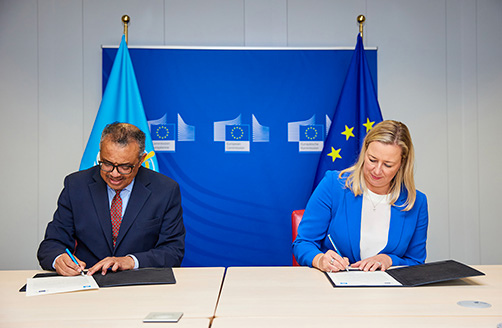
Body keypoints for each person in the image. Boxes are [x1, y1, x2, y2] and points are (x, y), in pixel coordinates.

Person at [37, 122, 185, 276]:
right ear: (100, 155)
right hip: (88, 282)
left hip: (141, 285)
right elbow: (51, 244)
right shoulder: (76, 185)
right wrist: (59, 258)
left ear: (141, 161)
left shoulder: (165, 190)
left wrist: (130, 261)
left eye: (125, 167)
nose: (114, 174)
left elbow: (173, 251)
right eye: (107, 164)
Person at [293, 120, 428, 272]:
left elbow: (416, 262)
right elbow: (303, 243)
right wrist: (319, 260)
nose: (377, 171)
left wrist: (389, 259)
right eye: (372, 160)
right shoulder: (333, 185)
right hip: (336, 288)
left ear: (402, 164)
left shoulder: (417, 202)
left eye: (388, 165)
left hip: (390, 292)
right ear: (364, 152)